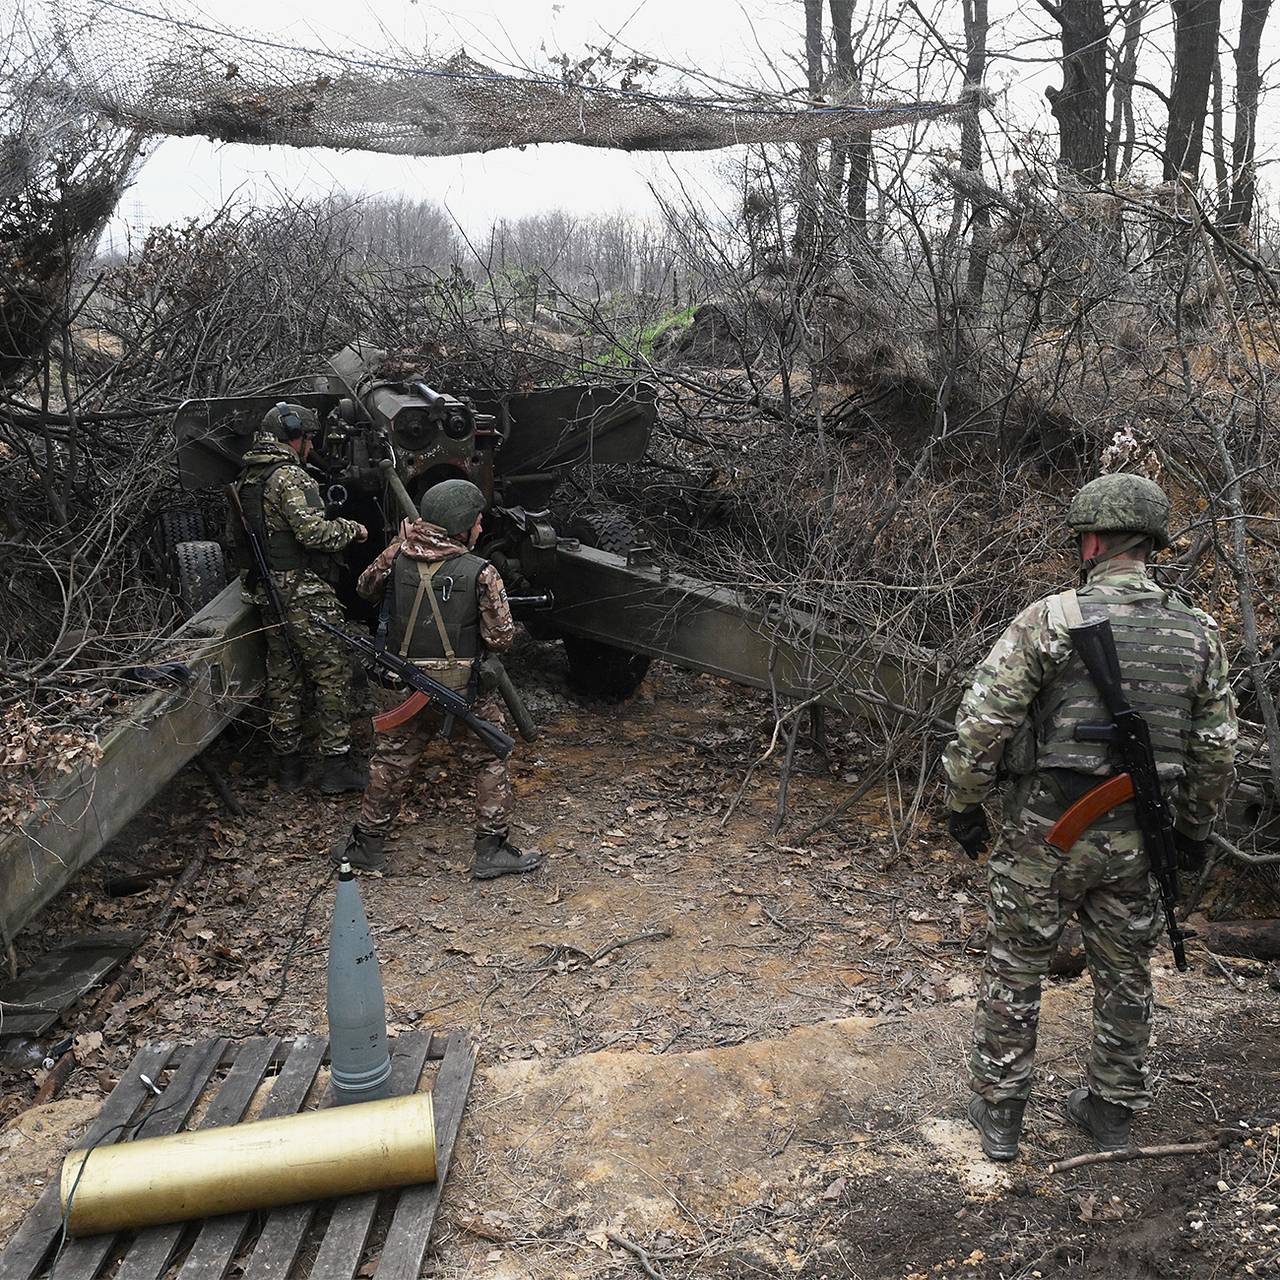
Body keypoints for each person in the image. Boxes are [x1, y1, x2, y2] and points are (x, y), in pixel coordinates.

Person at [942, 474, 1237, 1162]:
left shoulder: (1051, 618)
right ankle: (1110, 1112)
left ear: (1094, 540)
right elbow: (1216, 750)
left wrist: (964, 803)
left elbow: (983, 723)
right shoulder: (1198, 632)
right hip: (1140, 837)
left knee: (1017, 966)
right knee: (1126, 969)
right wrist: (1193, 830)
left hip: (1046, 832)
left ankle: (1002, 1115)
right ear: (1152, 544)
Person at [332, 478, 544, 880]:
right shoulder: (482, 572)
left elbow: (363, 589)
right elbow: (500, 639)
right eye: (478, 522)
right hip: (461, 690)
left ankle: (367, 847)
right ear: (462, 527)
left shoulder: (395, 557)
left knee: (390, 762)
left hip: (401, 689)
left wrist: (397, 546)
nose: (481, 528)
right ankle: (491, 850)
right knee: (488, 760)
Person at [232, 402, 369, 793]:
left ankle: (288, 768)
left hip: (266, 590)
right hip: (299, 591)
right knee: (332, 671)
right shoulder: (289, 476)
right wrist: (351, 529)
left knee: (285, 677)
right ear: (297, 436)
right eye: (309, 438)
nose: (311, 446)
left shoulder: (249, 476)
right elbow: (313, 534)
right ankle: (335, 767)